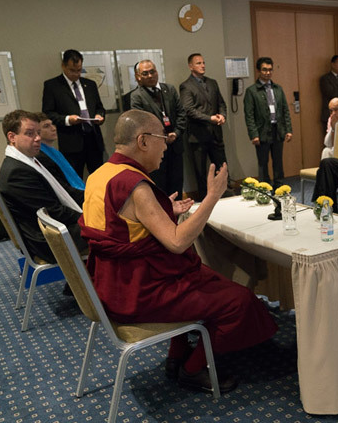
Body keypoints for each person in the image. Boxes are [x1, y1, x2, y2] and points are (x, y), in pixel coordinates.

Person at [80, 109, 278, 391]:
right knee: (239, 300)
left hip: (110, 282)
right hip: (137, 291)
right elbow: (176, 242)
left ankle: (176, 356)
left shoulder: (101, 174)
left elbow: (118, 224)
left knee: (211, 278)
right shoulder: (134, 185)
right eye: (162, 137)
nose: (166, 144)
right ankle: (191, 368)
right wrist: (212, 197)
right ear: (144, 140)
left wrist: (161, 211)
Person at [0, 110, 86, 263]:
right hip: (49, 240)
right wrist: (92, 218)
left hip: (52, 231)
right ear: (12, 137)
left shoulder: (27, 161)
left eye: (38, 132)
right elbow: (54, 212)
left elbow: (62, 194)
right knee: (118, 230)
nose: (38, 138)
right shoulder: (17, 173)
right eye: (30, 133)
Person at [42, 49, 106, 176]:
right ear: (63, 66)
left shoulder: (90, 84)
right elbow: (47, 114)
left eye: (79, 70)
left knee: (100, 178)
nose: (76, 74)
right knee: (74, 180)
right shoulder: (52, 86)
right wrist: (67, 120)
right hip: (71, 143)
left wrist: (100, 116)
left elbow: (100, 107)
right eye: (72, 70)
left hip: (93, 139)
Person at [131, 60, 186, 197]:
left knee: (176, 185)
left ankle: (179, 217)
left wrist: (176, 133)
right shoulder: (137, 96)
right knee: (159, 188)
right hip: (154, 150)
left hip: (175, 146)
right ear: (138, 77)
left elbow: (181, 114)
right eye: (145, 73)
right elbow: (140, 123)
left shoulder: (170, 89)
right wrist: (161, 138)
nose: (150, 76)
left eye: (152, 71)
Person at [180, 53, 228, 199]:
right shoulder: (186, 86)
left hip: (215, 134)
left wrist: (222, 115)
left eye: (203, 62)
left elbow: (221, 103)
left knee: (222, 169)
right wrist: (210, 118)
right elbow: (188, 110)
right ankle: (203, 203)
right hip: (198, 136)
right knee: (201, 173)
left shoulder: (212, 82)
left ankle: (226, 197)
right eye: (198, 63)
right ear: (191, 66)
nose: (203, 65)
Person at [244, 57, 292, 187]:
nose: (268, 73)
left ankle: (280, 188)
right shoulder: (252, 91)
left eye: (270, 70)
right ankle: (264, 188)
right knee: (263, 162)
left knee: (278, 162)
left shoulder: (278, 88)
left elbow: (285, 110)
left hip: (277, 129)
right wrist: (253, 134)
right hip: (262, 130)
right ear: (259, 71)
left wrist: (288, 130)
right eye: (264, 70)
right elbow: (249, 115)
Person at [34, 112, 85, 190]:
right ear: (36, 132)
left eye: (52, 124)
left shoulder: (54, 151)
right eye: (46, 126)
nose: (54, 128)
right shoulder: (41, 156)